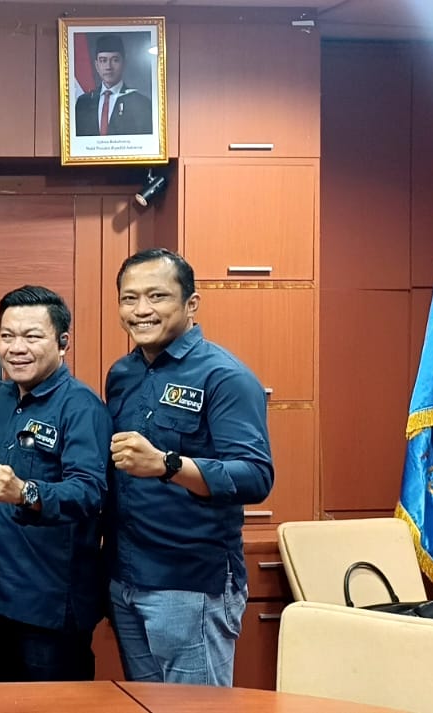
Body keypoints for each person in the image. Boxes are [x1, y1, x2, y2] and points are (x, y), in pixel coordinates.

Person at [105, 248, 274, 686]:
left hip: (189, 586)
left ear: (191, 303)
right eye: (129, 298)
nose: (141, 310)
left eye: (157, 296)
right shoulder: (122, 374)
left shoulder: (225, 376)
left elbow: (256, 476)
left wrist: (167, 465)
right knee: (145, 706)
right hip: (126, 580)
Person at [0, 286, 110, 682]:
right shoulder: (3, 398)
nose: (17, 348)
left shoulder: (82, 406)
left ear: (63, 342)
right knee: (4, 703)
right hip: (0, 594)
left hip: (51, 604)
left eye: (32, 336)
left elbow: (89, 492)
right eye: (7, 336)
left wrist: (27, 492)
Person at [74, 34, 152, 137]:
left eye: (115, 60)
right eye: (103, 60)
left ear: (124, 63)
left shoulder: (141, 104)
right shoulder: (83, 103)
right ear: (97, 65)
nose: (108, 67)